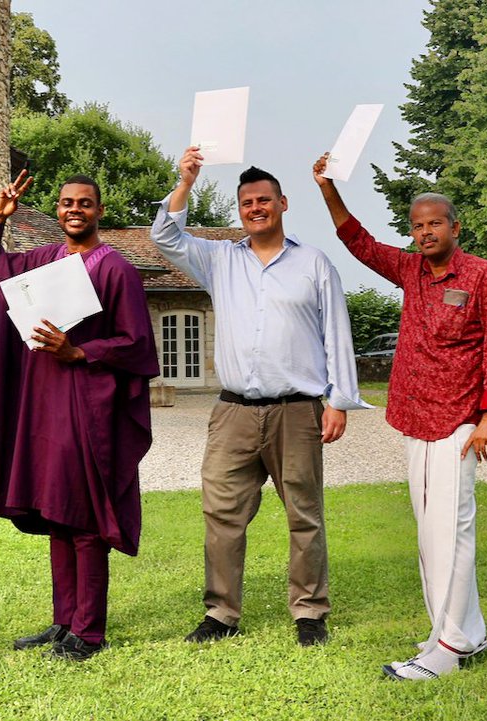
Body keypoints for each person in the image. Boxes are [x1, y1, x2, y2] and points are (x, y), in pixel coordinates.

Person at [150, 147, 370, 647]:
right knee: (222, 514)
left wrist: (339, 400)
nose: (256, 207)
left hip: (298, 410)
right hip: (232, 413)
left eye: (264, 199)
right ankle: (221, 613)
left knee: (304, 513)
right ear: (240, 210)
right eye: (247, 201)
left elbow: (337, 333)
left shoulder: (313, 263)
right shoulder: (218, 259)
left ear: (283, 204)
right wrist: (184, 182)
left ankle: (309, 612)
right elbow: (163, 236)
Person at [313, 153, 487, 680]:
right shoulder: (409, 270)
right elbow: (358, 241)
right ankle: (457, 633)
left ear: (455, 227)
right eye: (417, 225)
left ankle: (449, 648)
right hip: (414, 415)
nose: (426, 232)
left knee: (451, 528)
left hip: (459, 420)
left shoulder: (483, 276)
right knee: (431, 530)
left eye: (435, 223)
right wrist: (328, 187)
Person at [0, 170, 159, 661]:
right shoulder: (44, 261)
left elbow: (138, 344)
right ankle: (64, 622)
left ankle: (89, 631)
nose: (74, 209)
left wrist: (80, 352)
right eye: (65, 203)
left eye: (84, 203)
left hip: (86, 407)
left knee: (84, 519)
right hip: (43, 405)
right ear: (57, 210)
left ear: (99, 211)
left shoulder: (114, 269)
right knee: (57, 514)